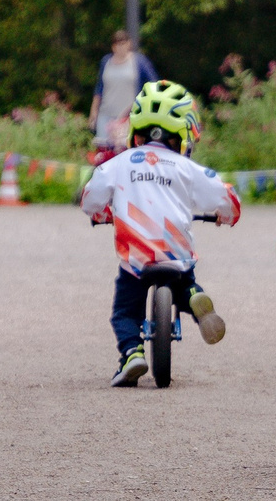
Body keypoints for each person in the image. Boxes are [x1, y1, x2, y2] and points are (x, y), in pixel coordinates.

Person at [80, 80, 240, 387]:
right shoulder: (186, 168)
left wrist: (103, 213)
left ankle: (132, 353)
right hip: (176, 255)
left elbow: (91, 197)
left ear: (136, 131)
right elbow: (226, 197)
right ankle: (193, 297)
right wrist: (226, 215)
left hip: (136, 259)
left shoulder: (119, 164)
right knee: (184, 278)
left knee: (124, 311)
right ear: (184, 135)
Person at [90, 29, 160, 159]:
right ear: (113, 47)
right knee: (103, 153)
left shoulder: (139, 61)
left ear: (129, 44)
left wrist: (145, 104)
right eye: (117, 44)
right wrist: (94, 111)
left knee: (125, 152)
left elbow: (153, 84)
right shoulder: (106, 62)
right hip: (106, 114)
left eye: (123, 43)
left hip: (128, 117)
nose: (120, 47)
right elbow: (99, 87)